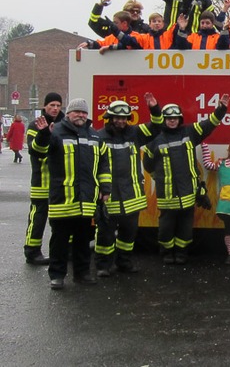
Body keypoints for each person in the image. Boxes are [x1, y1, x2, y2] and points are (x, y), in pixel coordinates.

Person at [31, 98, 111, 290]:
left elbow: (103, 163)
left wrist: (105, 188)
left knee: (83, 240)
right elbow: (39, 152)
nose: (81, 116)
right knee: (59, 241)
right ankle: (57, 276)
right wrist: (43, 135)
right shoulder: (55, 131)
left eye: (84, 113)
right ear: (68, 114)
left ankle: (82, 274)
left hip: (86, 200)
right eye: (77, 112)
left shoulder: (94, 135)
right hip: (62, 198)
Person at [142, 94, 230, 265]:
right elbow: (148, 164)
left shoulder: (190, 132)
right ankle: (167, 252)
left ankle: (181, 252)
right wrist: (158, 179)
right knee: (166, 226)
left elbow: (209, 124)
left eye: (175, 118)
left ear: (180, 119)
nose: (172, 121)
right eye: (169, 118)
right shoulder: (154, 140)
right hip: (167, 194)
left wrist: (221, 109)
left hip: (188, 192)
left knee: (185, 226)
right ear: (164, 120)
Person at [94, 95, 163, 277]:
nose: (120, 121)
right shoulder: (99, 137)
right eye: (117, 118)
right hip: (110, 195)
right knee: (105, 235)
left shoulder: (135, 133)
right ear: (109, 118)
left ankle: (124, 262)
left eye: (124, 118)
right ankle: (103, 265)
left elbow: (157, 127)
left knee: (128, 234)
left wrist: (154, 109)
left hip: (132, 196)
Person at [24, 93, 64, 265]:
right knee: (38, 217)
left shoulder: (63, 124)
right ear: (45, 106)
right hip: (41, 181)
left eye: (58, 105)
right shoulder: (36, 125)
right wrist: (45, 134)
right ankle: (32, 251)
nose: (55, 108)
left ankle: (63, 252)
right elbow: (37, 151)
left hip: (60, 182)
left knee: (62, 219)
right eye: (52, 105)